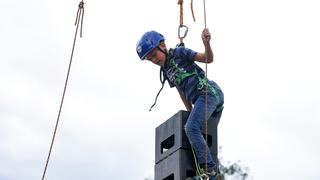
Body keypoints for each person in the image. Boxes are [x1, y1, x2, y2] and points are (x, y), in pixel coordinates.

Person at [136, 29, 224, 179]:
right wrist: (190, 111)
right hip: (201, 101)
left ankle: (210, 171)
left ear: (162, 46)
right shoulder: (166, 70)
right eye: (150, 59)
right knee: (195, 135)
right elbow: (181, 91)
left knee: (191, 128)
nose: (154, 60)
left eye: (154, 55)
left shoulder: (179, 53)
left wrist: (206, 43)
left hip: (209, 94)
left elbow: (208, 59)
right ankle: (205, 174)